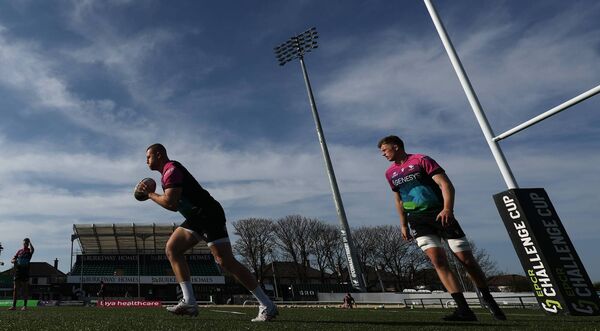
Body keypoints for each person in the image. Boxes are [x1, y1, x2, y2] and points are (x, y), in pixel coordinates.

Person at [138, 143, 278, 322]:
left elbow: (171, 204)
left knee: (225, 261)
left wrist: (150, 194)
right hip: (196, 217)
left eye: (148, 157)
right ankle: (189, 301)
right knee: (172, 249)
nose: (146, 161)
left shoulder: (171, 170)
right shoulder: (166, 174)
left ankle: (267, 304)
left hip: (208, 214)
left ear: (158, 154)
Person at [378, 135, 506, 321]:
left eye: (384, 150)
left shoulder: (421, 160)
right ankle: (464, 310)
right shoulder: (390, 173)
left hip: (441, 214)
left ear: (396, 147)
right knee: (438, 261)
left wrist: (448, 209)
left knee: (466, 260)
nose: (383, 154)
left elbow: (445, 184)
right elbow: (398, 199)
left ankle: (487, 298)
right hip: (418, 220)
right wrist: (403, 224)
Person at [9, 238, 34, 311]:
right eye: (24, 242)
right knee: (15, 289)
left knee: (24, 289)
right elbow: (12, 259)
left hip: (25, 271)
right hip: (18, 271)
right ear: (22, 243)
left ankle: (25, 306)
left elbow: (33, 250)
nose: (25, 244)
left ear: (28, 243)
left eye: (26, 242)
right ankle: (14, 306)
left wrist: (30, 243)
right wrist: (14, 261)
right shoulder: (19, 251)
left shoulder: (29, 251)